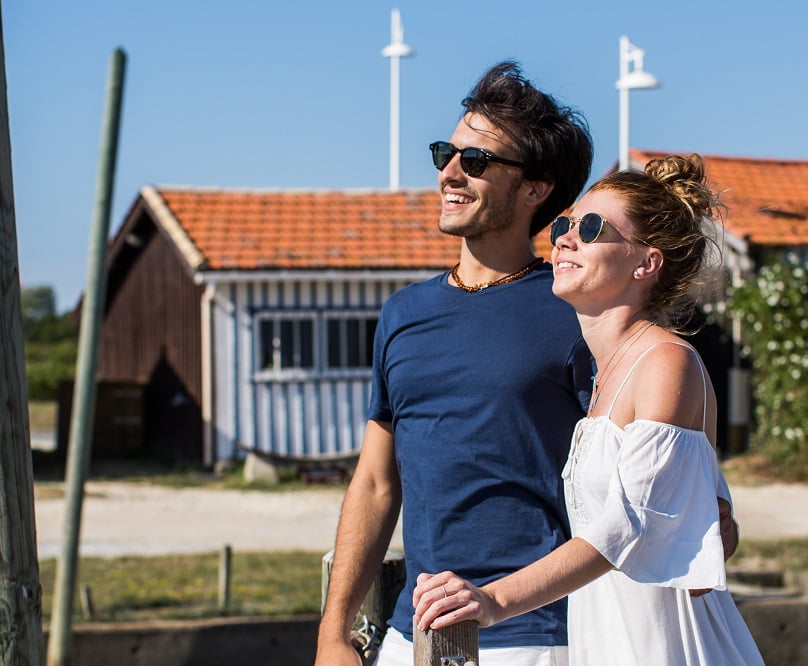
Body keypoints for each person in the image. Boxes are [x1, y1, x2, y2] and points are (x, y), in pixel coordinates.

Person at [412, 153, 762, 664]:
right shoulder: (604, 379)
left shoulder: (666, 361)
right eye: (564, 224)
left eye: (592, 227)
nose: (564, 239)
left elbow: (629, 524)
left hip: (667, 650)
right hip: (607, 643)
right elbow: (708, 524)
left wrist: (494, 599)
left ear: (646, 262)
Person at [316, 61, 595, 666]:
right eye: (447, 152)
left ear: (535, 188)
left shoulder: (579, 315)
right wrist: (332, 633)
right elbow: (373, 482)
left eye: (475, 161)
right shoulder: (402, 314)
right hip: (410, 635)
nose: (448, 172)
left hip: (540, 638)